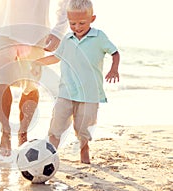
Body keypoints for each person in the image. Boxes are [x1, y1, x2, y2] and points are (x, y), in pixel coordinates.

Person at [31, 0, 120, 164]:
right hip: (66, 92)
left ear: (92, 19)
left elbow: (114, 52)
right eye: (72, 23)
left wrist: (114, 69)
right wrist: (38, 61)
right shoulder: (67, 38)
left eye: (82, 23)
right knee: (56, 125)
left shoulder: (99, 37)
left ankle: (84, 147)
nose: (77, 27)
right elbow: (57, 57)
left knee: (83, 128)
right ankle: (49, 155)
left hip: (90, 95)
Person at [0, 0, 70, 157]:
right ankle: (5, 132)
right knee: (0, 83)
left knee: (31, 86)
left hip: (36, 31)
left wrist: (59, 31)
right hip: (1, 27)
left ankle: (23, 133)